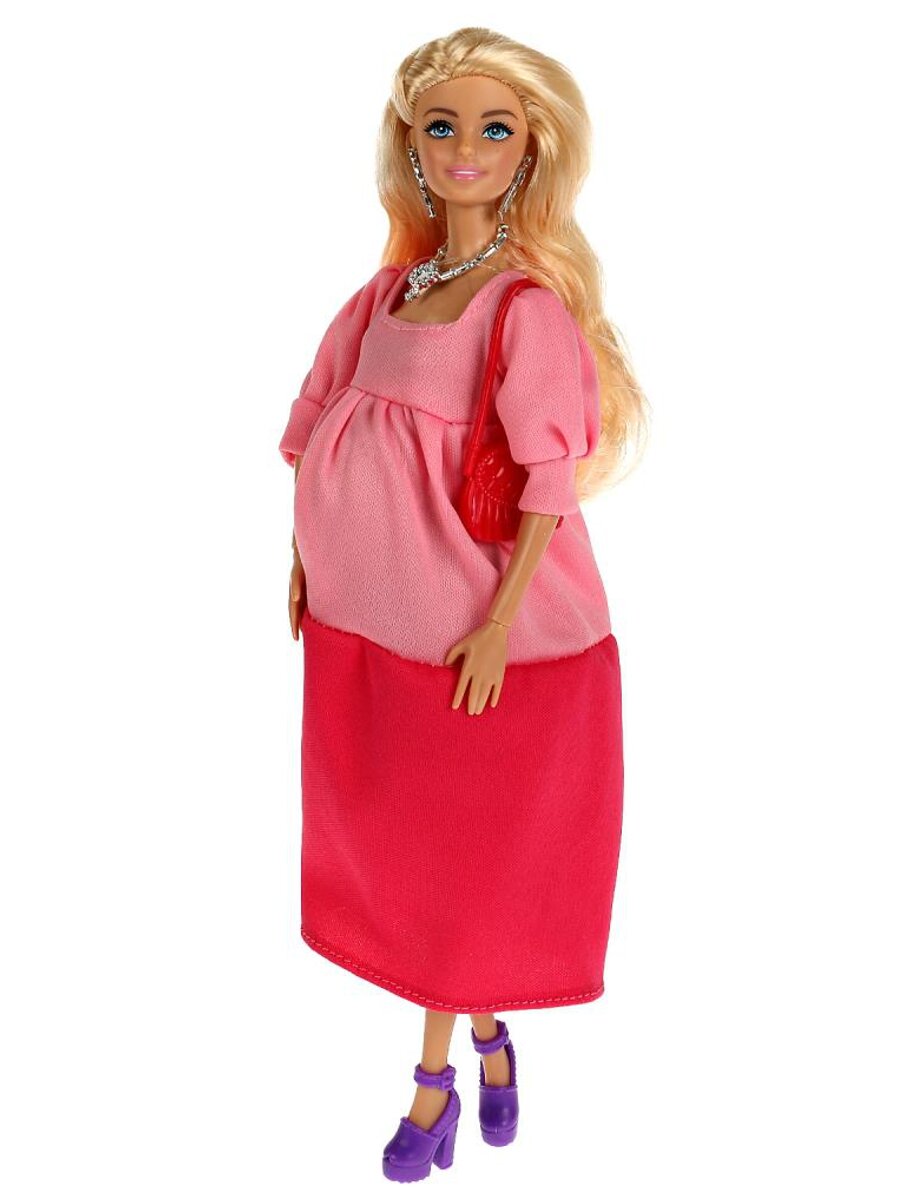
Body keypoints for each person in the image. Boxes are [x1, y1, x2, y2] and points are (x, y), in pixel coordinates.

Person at [278, 27, 648, 1183]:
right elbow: (320, 425)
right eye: (441, 126)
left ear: (532, 149)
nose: (465, 148)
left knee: (464, 868)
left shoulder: (522, 310)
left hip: (475, 640)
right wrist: (302, 557)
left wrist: (498, 622)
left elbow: (547, 482)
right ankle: (492, 1042)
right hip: (364, 629)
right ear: (411, 145)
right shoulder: (386, 294)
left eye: (494, 127)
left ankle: (432, 1087)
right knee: (408, 857)